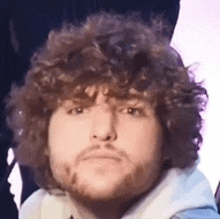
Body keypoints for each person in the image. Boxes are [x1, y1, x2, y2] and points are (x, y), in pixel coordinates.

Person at [5, 12, 219, 219]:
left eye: (131, 111)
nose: (103, 131)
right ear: (43, 135)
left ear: (168, 135)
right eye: (78, 110)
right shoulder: (38, 210)